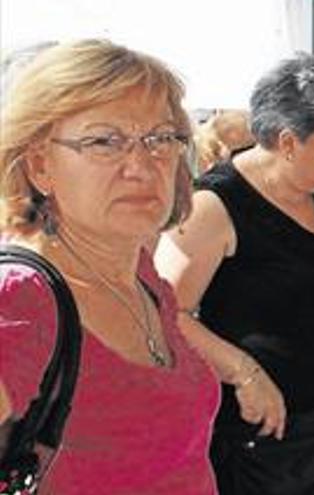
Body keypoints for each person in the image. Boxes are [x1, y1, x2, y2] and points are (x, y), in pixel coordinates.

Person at [153, 53, 314, 495]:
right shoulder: (213, 208)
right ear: (288, 142)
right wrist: (244, 373)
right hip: (267, 439)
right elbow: (163, 313)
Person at [0, 39, 219, 494]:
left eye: (160, 139)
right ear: (40, 165)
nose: (141, 166)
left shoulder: (135, 265)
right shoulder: (21, 297)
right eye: (104, 141)